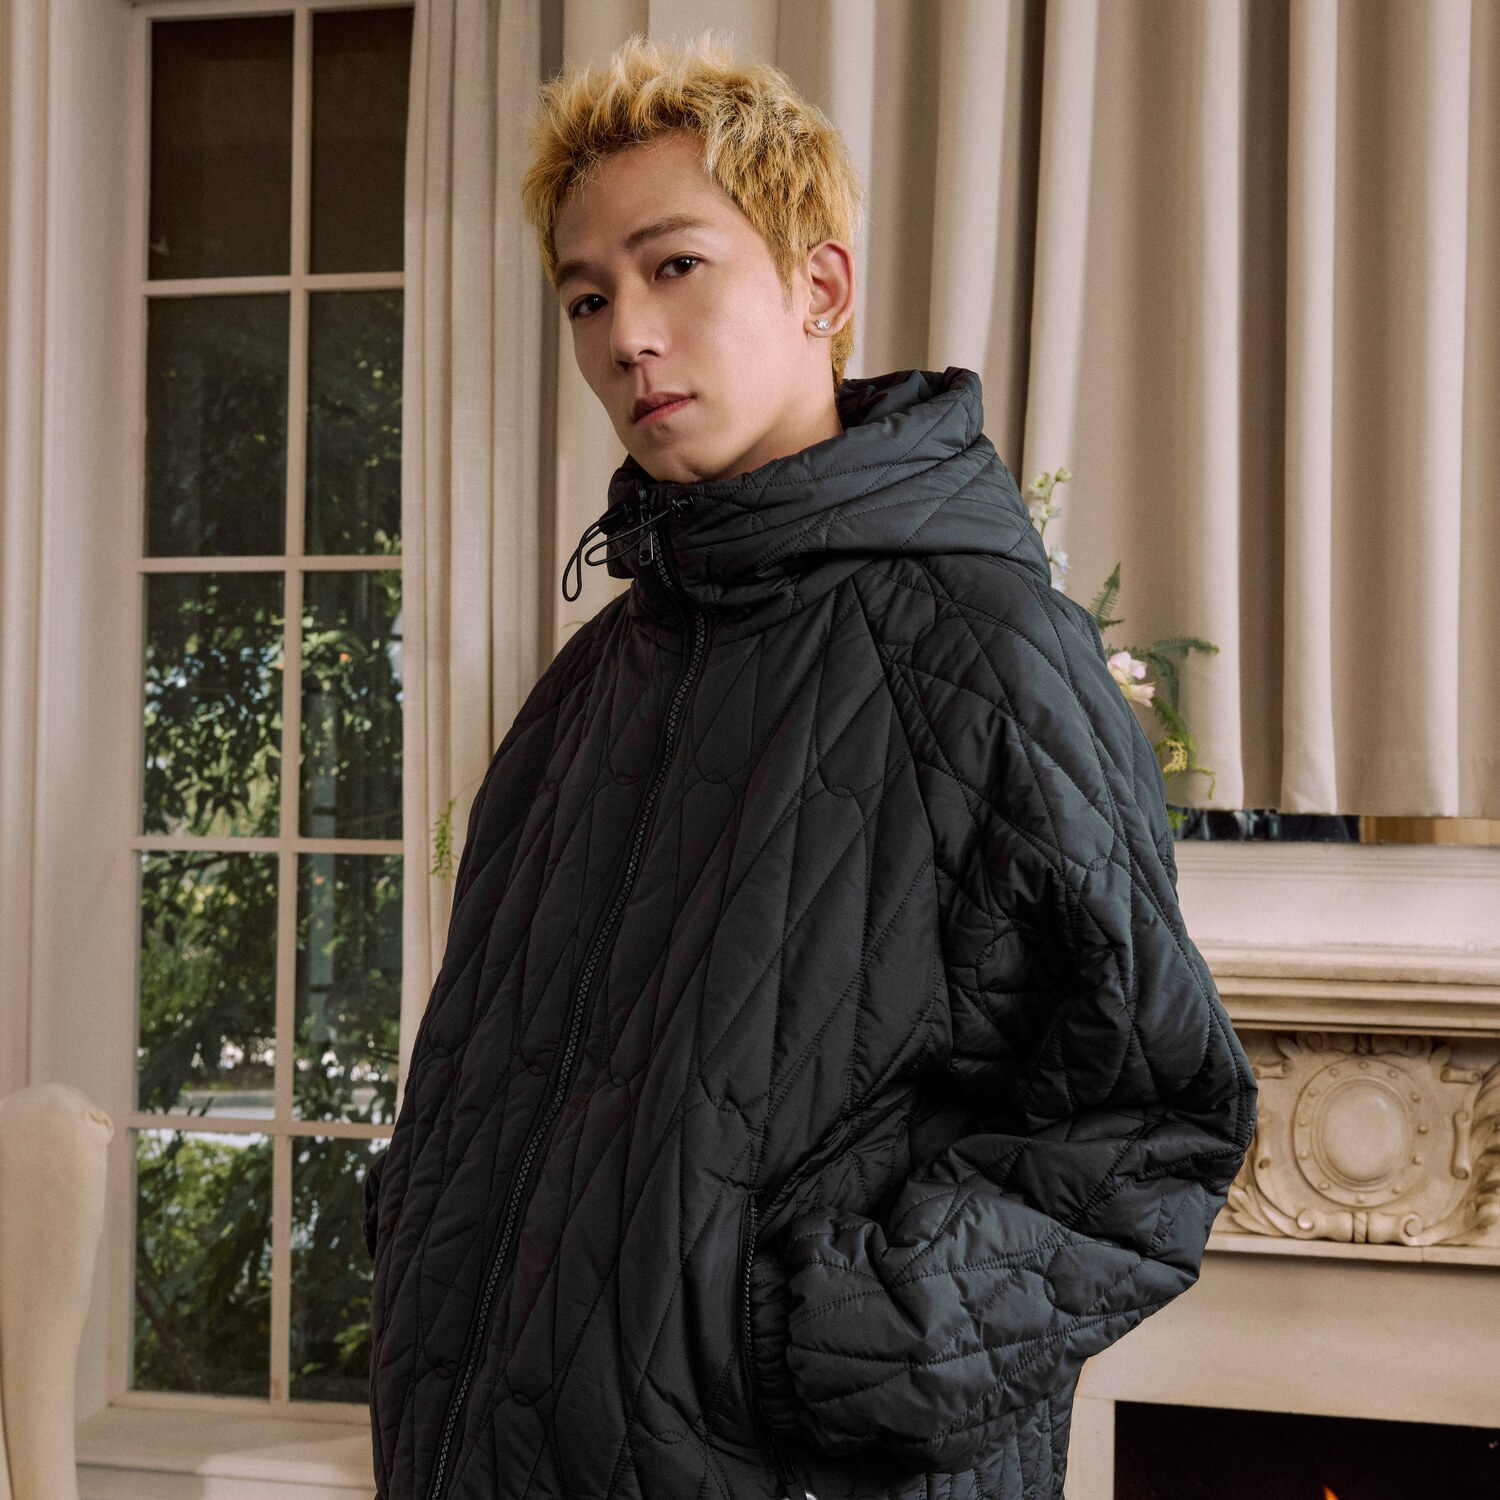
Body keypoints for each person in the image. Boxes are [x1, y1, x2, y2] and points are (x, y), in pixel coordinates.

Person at [363, 32, 1255, 1500]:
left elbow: (1152, 1128)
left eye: (675, 266)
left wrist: (831, 1343)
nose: (626, 335)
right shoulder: (588, 685)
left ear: (819, 288)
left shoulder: (984, 652)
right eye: (586, 297)